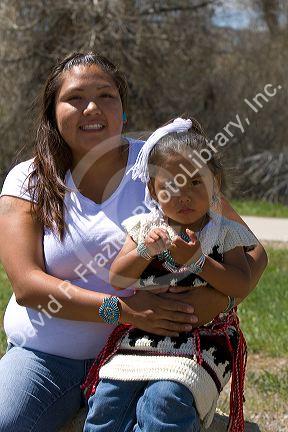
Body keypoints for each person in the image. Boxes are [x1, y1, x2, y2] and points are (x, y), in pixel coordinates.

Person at [0, 51, 267, 432]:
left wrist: (220, 298)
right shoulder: (29, 180)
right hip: (47, 357)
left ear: (123, 109)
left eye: (106, 95)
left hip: (145, 351)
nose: (92, 107)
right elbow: (27, 287)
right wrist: (121, 311)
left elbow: (252, 251)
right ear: (52, 111)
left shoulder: (163, 164)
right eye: (75, 98)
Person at [81, 117, 260, 432]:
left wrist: (198, 260)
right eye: (172, 185)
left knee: (166, 399)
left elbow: (241, 283)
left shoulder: (224, 233)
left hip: (202, 340)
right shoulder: (144, 228)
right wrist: (144, 252)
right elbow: (117, 279)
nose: (185, 195)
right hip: (142, 339)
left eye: (196, 182)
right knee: (107, 399)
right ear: (153, 189)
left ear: (215, 183)